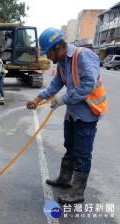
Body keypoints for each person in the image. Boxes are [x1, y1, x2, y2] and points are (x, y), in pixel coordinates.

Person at [26, 27, 107, 204]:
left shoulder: (84, 56)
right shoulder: (62, 63)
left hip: (87, 114)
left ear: (58, 48)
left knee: (83, 154)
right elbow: (55, 84)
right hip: (72, 113)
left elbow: (88, 85)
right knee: (69, 147)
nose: (47, 58)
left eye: (48, 53)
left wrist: (64, 99)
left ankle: (77, 193)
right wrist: (37, 99)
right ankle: (64, 180)